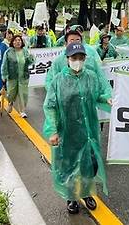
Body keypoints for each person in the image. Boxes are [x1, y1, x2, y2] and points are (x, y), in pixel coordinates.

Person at [43, 43, 111, 214]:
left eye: (81, 58)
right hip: (68, 131)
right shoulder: (58, 80)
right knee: (69, 166)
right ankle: (71, 197)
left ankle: (87, 194)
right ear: (67, 59)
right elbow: (50, 106)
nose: (78, 61)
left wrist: (107, 99)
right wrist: (52, 130)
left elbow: (96, 95)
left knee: (89, 164)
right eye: (74, 58)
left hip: (89, 131)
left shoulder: (91, 77)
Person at [45, 29, 111, 99]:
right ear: (66, 43)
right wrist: (57, 95)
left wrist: (106, 96)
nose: (75, 42)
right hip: (66, 101)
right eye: (72, 40)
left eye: (77, 40)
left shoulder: (90, 60)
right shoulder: (58, 61)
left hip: (87, 99)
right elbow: (50, 81)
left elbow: (101, 78)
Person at [1, 34, 34, 118]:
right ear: (12, 42)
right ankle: (10, 102)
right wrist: (4, 75)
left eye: (19, 40)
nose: (17, 42)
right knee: (11, 93)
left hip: (23, 77)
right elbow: (4, 65)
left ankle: (22, 111)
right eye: (15, 40)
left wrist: (31, 57)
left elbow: (30, 63)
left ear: (22, 42)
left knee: (23, 94)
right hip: (12, 77)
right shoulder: (8, 52)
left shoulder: (25, 51)